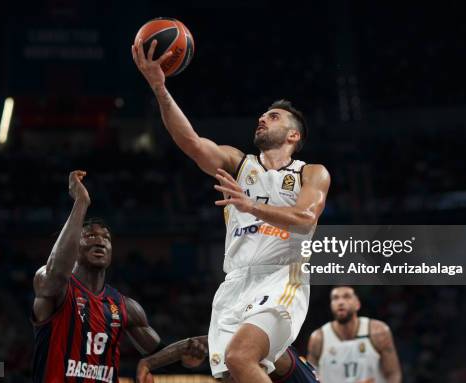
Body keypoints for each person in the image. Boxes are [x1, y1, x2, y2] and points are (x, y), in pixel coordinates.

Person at [132, 40, 331, 383]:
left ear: (293, 134)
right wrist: (159, 87)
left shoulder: (310, 172)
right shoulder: (239, 164)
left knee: (241, 356)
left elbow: (305, 221)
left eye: (273, 116)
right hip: (235, 282)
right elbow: (192, 143)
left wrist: (250, 205)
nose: (262, 119)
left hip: (281, 275)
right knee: (233, 375)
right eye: (263, 115)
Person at [32, 170, 161, 382]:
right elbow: (56, 274)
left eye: (106, 237)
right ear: (74, 246)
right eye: (90, 235)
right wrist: (81, 202)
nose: (100, 241)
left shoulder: (124, 306)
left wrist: (205, 345)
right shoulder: (51, 283)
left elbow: (164, 354)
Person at [306, 286, 402, 383]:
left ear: (358, 304)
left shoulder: (378, 332)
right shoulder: (318, 338)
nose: (340, 302)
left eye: (346, 297)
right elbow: (309, 377)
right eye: (335, 298)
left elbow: (393, 373)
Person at [136, 336, 319, 383]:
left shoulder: (280, 357)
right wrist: (147, 364)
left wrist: (148, 363)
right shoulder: (272, 349)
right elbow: (195, 343)